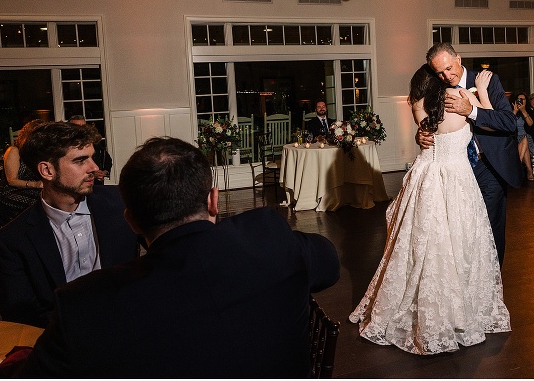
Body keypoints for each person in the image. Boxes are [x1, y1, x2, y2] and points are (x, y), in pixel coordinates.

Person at [19, 137, 340, 377]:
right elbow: (329, 264)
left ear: (131, 221)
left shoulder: (83, 302)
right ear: (213, 201)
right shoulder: (268, 236)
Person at [349, 65, 510, 355]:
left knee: (422, 243)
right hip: (457, 179)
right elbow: (490, 120)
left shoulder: (418, 105)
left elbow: (428, 130)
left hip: (424, 177)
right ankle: (459, 306)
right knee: (458, 241)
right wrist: (484, 93)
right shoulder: (460, 99)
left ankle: (421, 303)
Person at [0, 122, 139, 328]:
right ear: (47, 170)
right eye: (80, 160)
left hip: (130, 326)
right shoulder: (13, 239)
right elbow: (20, 314)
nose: (94, 168)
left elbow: (167, 255)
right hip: (63, 338)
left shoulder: (122, 204)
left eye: (92, 157)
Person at [421, 43, 521, 267]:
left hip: (489, 165)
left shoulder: (486, 81)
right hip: (457, 170)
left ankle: (492, 278)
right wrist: (422, 134)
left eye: (449, 68)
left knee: (491, 226)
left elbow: (508, 123)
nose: (446, 76)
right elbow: (432, 122)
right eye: (440, 72)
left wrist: (471, 110)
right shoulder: (438, 88)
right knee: (463, 227)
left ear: (458, 58)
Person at [0, 119, 44, 229]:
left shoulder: (38, 152)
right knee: (39, 202)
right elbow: (12, 180)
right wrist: (35, 184)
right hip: (11, 191)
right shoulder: (14, 151)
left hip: (33, 189)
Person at [68, 115, 113, 184]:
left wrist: (104, 172)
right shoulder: (66, 146)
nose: (81, 129)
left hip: (96, 183)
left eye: (83, 126)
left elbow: (107, 159)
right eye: (77, 126)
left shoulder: (95, 144)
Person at [513, 92, 534, 182]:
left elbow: (530, 124)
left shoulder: (529, 111)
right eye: (519, 99)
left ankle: (517, 166)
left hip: (526, 136)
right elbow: (508, 124)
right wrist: (515, 111)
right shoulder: (512, 110)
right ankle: (529, 171)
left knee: (525, 139)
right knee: (525, 144)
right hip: (514, 138)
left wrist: (523, 111)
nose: (521, 101)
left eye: (523, 99)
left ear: (526, 101)